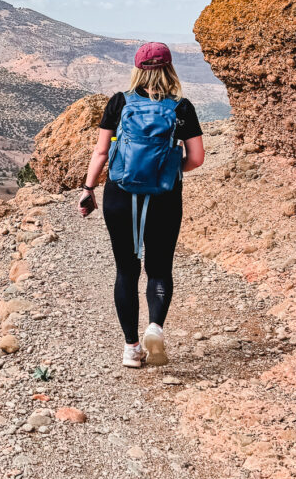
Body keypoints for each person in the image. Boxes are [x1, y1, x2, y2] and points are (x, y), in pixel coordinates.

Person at [76, 42, 205, 368]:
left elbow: (102, 152)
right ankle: (155, 328)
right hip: (164, 196)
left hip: (120, 195)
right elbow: (197, 158)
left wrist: (88, 188)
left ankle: (132, 348)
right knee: (159, 269)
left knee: (126, 271)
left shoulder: (120, 102)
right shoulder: (181, 107)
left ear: (137, 69)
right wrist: (169, 171)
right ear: (170, 69)